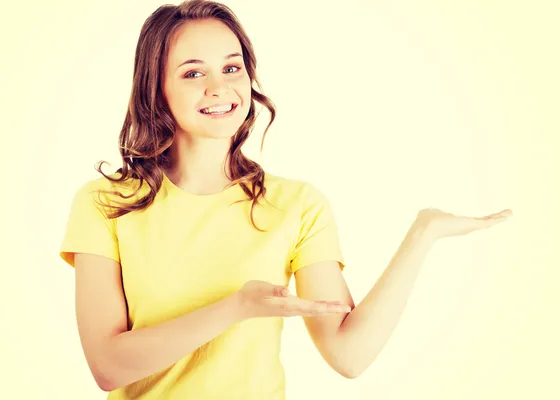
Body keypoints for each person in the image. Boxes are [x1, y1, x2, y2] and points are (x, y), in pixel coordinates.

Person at [58, 1, 513, 399]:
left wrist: (422, 235)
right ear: (155, 89)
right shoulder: (106, 203)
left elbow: (348, 355)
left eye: (231, 68)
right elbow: (108, 366)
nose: (219, 88)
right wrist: (237, 307)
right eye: (193, 73)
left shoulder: (296, 204)